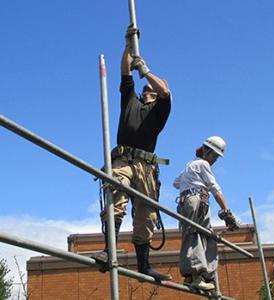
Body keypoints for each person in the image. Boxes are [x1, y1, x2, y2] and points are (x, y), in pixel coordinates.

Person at [98, 26, 172, 281]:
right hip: (123, 160)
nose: (149, 90)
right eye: (147, 88)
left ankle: (144, 264)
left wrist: (146, 70)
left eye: (152, 88)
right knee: (115, 196)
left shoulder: (160, 111)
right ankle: (109, 250)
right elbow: (124, 71)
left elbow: (165, 91)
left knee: (147, 215)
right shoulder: (131, 100)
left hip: (147, 167)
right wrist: (129, 45)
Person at [173, 136, 239, 291]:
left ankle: (206, 276)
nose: (214, 159)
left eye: (217, 157)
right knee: (194, 234)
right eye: (214, 155)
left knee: (208, 236)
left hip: (199, 200)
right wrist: (226, 211)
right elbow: (215, 188)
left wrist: (188, 182)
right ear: (206, 150)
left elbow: (176, 182)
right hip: (195, 199)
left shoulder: (191, 165)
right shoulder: (202, 164)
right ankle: (194, 276)